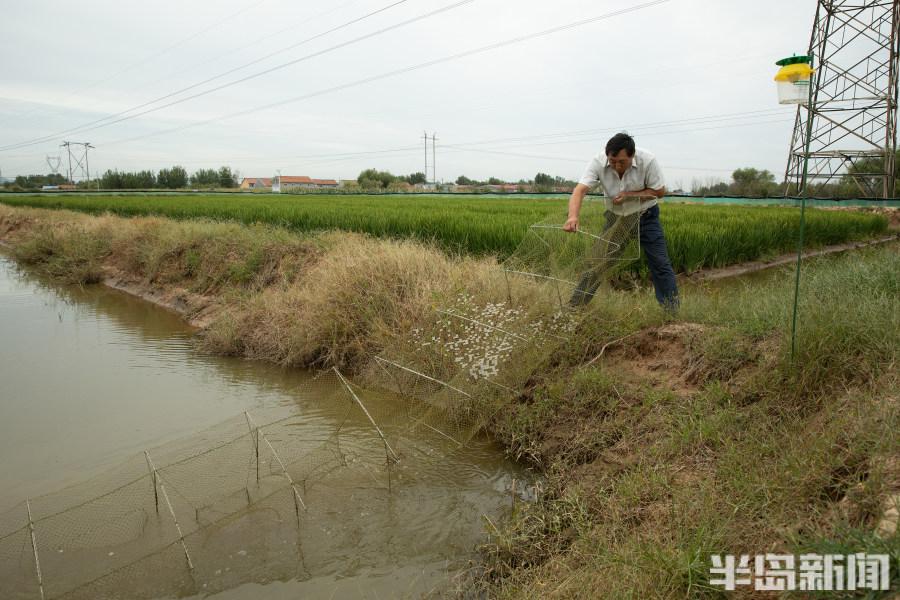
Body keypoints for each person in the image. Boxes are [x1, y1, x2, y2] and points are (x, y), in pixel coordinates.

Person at [563, 132, 679, 309]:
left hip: (645, 217)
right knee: (598, 262)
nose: (616, 166)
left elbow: (659, 191)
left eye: (622, 162)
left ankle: (671, 313)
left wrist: (629, 195)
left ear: (632, 156)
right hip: (615, 220)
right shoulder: (598, 162)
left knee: (660, 264)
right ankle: (574, 307)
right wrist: (572, 217)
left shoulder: (648, 161)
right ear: (608, 155)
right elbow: (580, 190)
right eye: (612, 161)